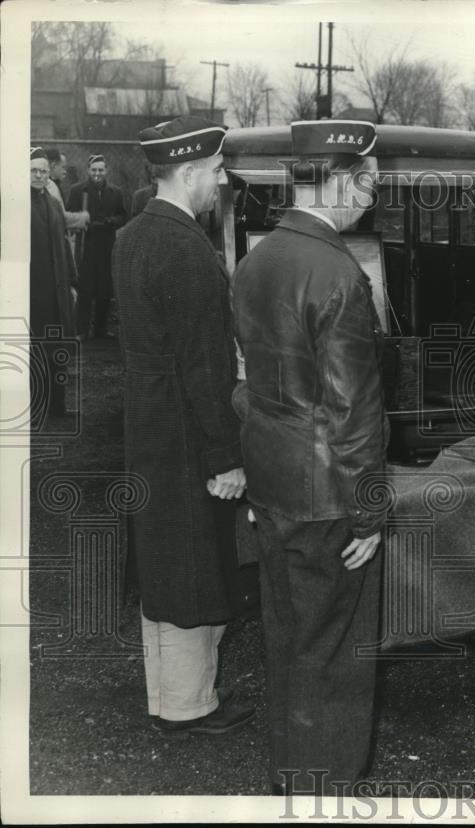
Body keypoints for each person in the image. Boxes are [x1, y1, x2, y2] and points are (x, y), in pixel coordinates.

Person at [232, 120, 388, 795]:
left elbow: (246, 381)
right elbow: (354, 413)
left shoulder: (258, 257)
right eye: (371, 184)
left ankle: (291, 775)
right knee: (337, 651)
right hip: (329, 496)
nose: (372, 199)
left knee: (289, 639)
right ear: (344, 180)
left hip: (273, 483)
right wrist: (370, 512)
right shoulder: (339, 272)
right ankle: (326, 788)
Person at [112, 116, 254, 735]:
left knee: (163, 558)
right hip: (189, 432)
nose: (221, 183)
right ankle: (192, 705)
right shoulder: (187, 247)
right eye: (219, 172)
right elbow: (203, 364)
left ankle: (166, 696)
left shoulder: (133, 234)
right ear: (192, 172)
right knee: (197, 563)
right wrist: (228, 455)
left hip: (147, 426)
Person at [29, 146, 77, 425]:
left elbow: (64, 244)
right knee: (34, 348)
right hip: (32, 288)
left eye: (43, 171)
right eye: (34, 171)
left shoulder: (54, 203)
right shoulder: (17, 203)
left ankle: (58, 406)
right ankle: (36, 406)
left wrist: (72, 280)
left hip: (57, 287)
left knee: (57, 347)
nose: (39, 175)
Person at [67, 153, 128, 339]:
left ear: (106, 171)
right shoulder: (78, 190)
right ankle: (82, 330)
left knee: (104, 288)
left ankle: (101, 329)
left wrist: (111, 221)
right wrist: (83, 223)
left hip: (107, 245)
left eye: (101, 170)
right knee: (85, 287)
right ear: (88, 170)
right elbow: (70, 214)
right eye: (94, 170)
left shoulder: (115, 192)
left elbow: (123, 216)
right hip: (87, 244)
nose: (97, 173)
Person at [44, 148, 90, 232]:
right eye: (63, 167)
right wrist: (83, 218)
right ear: (53, 166)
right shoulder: (50, 186)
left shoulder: (55, 185)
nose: (65, 171)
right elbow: (59, 217)